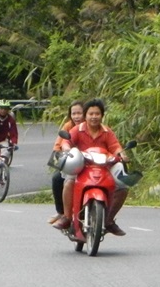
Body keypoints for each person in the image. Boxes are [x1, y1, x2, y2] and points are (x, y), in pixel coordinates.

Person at [53, 98, 130, 236]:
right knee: (69, 181)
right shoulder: (77, 130)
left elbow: (115, 147)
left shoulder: (107, 132)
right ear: (86, 116)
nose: (94, 117)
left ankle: (109, 220)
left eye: (97, 114)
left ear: (102, 115)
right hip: (81, 165)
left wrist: (122, 155)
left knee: (123, 187)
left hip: (103, 167)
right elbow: (66, 142)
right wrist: (67, 149)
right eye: (91, 114)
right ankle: (67, 217)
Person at [48, 101, 85, 224]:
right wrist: (62, 154)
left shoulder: (91, 126)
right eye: (74, 114)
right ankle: (62, 212)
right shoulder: (68, 127)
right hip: (72, 162)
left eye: (79, 113)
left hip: (90, 162)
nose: (76, 116)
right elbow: (59, 145)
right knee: (57, 179)